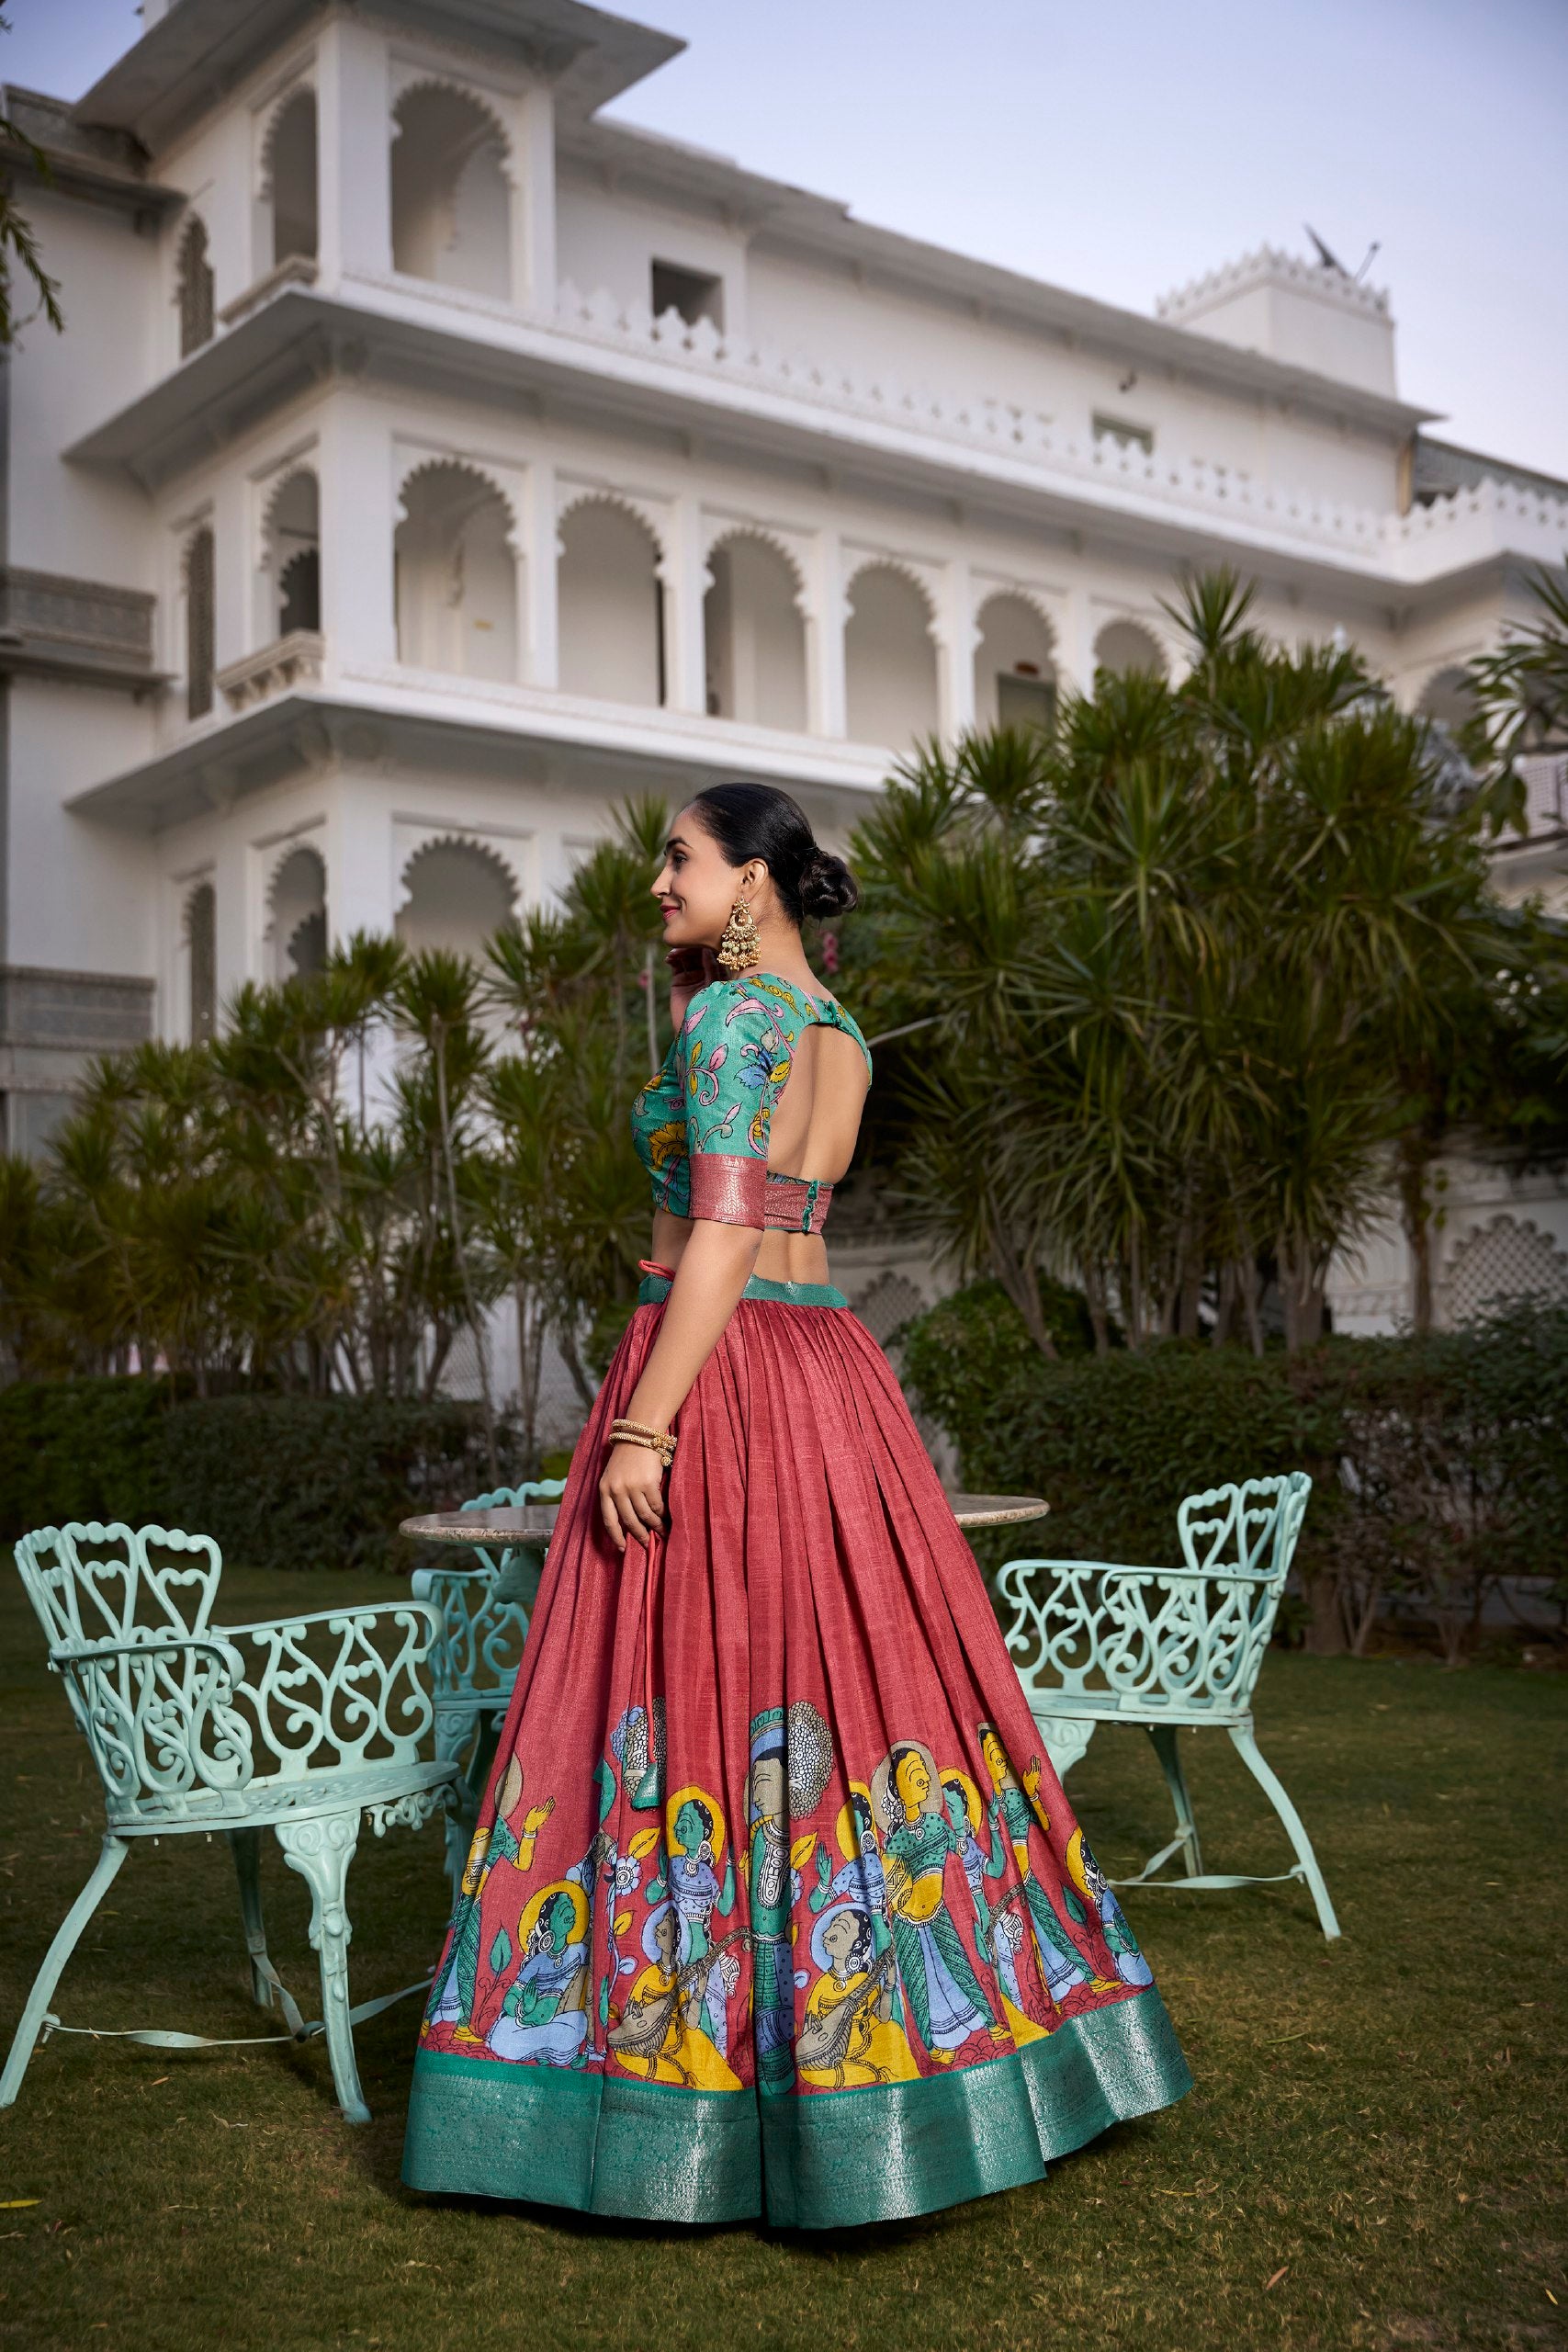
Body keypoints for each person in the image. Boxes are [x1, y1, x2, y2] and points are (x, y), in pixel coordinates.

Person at [401, 780, 1191, 2228]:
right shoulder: (834, 1029)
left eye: (680, 860)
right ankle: (935, 2043)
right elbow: (783, 1216)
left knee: (689, 1691)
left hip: (721, 1374)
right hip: (831, 1375)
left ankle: (680, 2084)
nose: (658, 885)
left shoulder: (730, 1022)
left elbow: (719, 1226)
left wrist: (647, 1423)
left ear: (754, 880)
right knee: (873, 1693)